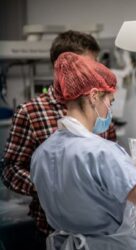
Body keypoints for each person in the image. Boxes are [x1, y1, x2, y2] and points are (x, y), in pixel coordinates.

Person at [30, 52, 136, 249]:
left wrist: (129, 171)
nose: (109, 112)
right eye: (110, 102)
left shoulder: (42, 153)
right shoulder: (103, 152)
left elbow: (87, 195)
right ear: (94, 96)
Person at [0, 30, 117, 248]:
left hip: (101, 233)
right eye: (89, 67)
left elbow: (110, 161)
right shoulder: (31, 112)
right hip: (52, 233)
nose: (96, 73)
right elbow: (10, 170)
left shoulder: (100, 106)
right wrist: (46, 184)